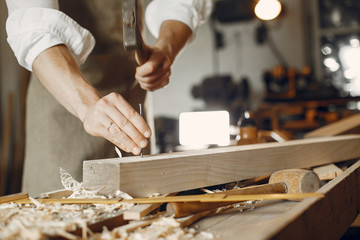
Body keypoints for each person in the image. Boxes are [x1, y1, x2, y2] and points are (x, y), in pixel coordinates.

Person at [5, 0, 212, 196]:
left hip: (132, 94)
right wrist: (86, 106)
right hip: (64, 98)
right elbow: (33, 27)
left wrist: (166, 49)